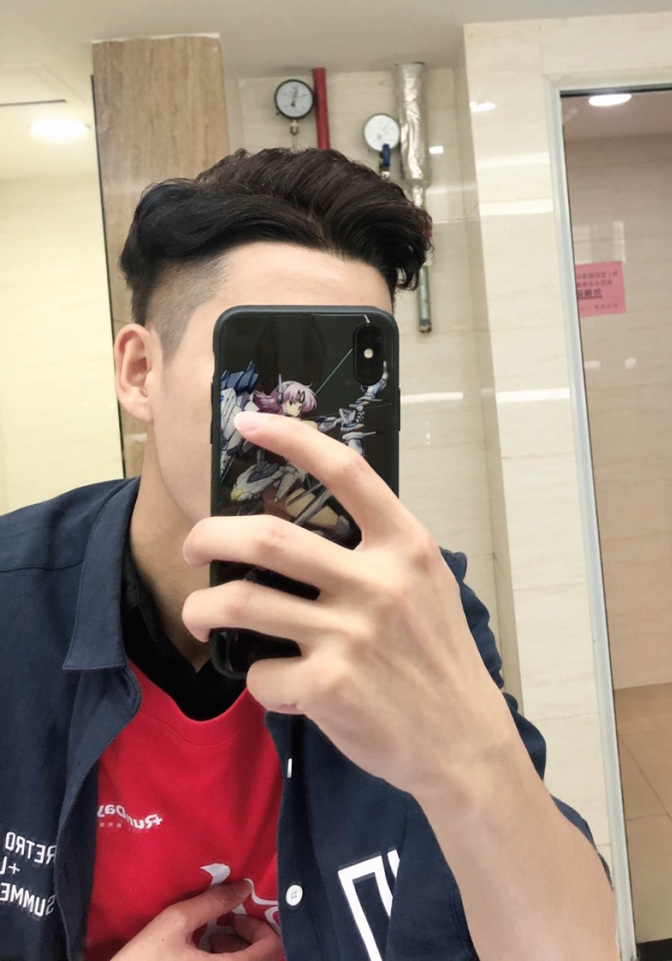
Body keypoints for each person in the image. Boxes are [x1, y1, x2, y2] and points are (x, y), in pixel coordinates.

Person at [0, 147, 618, 961]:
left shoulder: (414, 610)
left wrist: (471, 760)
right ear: (141, 371)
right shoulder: (13, 607)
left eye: (344, 381)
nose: (306, 427)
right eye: (263, 368)